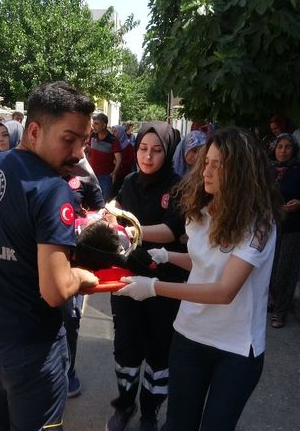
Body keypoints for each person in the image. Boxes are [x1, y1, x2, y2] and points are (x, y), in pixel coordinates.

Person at [115, 127, 281, 431]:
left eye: (219, 165)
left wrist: (153, 288)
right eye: (207, 162)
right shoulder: (200, 211)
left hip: (236, 348)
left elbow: (224, 289)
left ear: (241, 172)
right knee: (178, 423)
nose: (207, 170)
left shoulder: (259, 224)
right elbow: (205, 264)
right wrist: (166, 256)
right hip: (190, 335)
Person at [0, 81, 98, 430]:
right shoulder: (52, 189)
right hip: (28, 349)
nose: (79, 152)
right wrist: (82, 277)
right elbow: (55, 290)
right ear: (34, 131)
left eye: (83, 140)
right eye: (69, 139)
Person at [106, 121, 189, 431]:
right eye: (142, 149)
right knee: (126, 346)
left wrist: (132, 229)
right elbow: (117, 209)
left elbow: (172, 231)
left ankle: (150, 412)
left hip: (164, 282)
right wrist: (109, 213)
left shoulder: (178, 186)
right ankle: (124, 405)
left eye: (156, 150)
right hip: (126, 279)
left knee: (159, 349)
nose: (148, 156)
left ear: (167, 152)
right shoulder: (128, 182)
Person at [268, 133, 300, 329]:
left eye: (287, 147)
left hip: (294, 228)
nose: (283, 150)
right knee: (270, 271)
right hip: (270, 227)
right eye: (280, 146)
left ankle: (280, 311)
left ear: (294, 150)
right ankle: (276, 302)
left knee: (285, 271)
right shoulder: (269, 169)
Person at [63, 157, 105, 398]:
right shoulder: (37, 172)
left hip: (76, 260)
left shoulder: (85, 177)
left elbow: (100, 211)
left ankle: (68, 370)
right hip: (40, 259)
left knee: (70, 316)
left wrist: (87, 221)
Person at [87, 113, 122, 201]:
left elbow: (119, 159)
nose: (93, 126)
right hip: (92, 174)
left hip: (105, 177)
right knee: (92, 201)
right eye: (93, 123)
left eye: (96, 124)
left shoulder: (113, 140)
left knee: (105, 202)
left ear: (104, 125)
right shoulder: (92, 136)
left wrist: (114, 173)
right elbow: (89, 150)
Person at [112, 125, 136, 194]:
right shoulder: (113, 143)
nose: (113, 133)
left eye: (115, 131)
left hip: (124, 174)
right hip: (113, 173)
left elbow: (131, 159)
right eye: (112, 131)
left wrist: (121, 163)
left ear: (120, 132)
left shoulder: (128, 145)